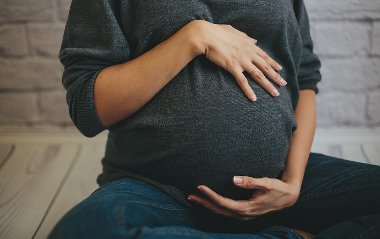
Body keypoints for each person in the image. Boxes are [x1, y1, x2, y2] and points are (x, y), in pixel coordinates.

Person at [49, 0, 380, 238]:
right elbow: (88, 108)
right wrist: (193, 38)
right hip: (155, 188)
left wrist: (292, 183)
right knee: (85, 231)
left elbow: (304, 80)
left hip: (276, 185)